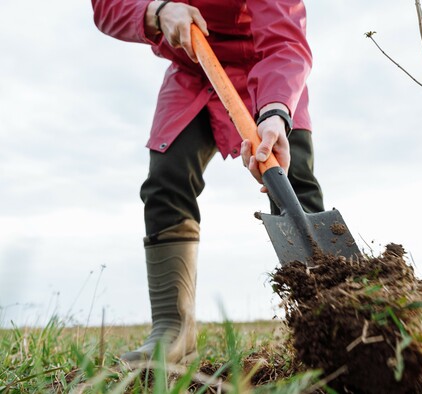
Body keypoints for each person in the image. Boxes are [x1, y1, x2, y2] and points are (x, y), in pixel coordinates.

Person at [91, 0, 324, 364]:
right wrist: (156, 10)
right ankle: (173, 333)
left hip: (265, 71)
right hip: (193, 70)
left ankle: (325, 321)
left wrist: (276, 110)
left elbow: (284, 40)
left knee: (294, 185)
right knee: (167, 179)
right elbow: (107, 7)